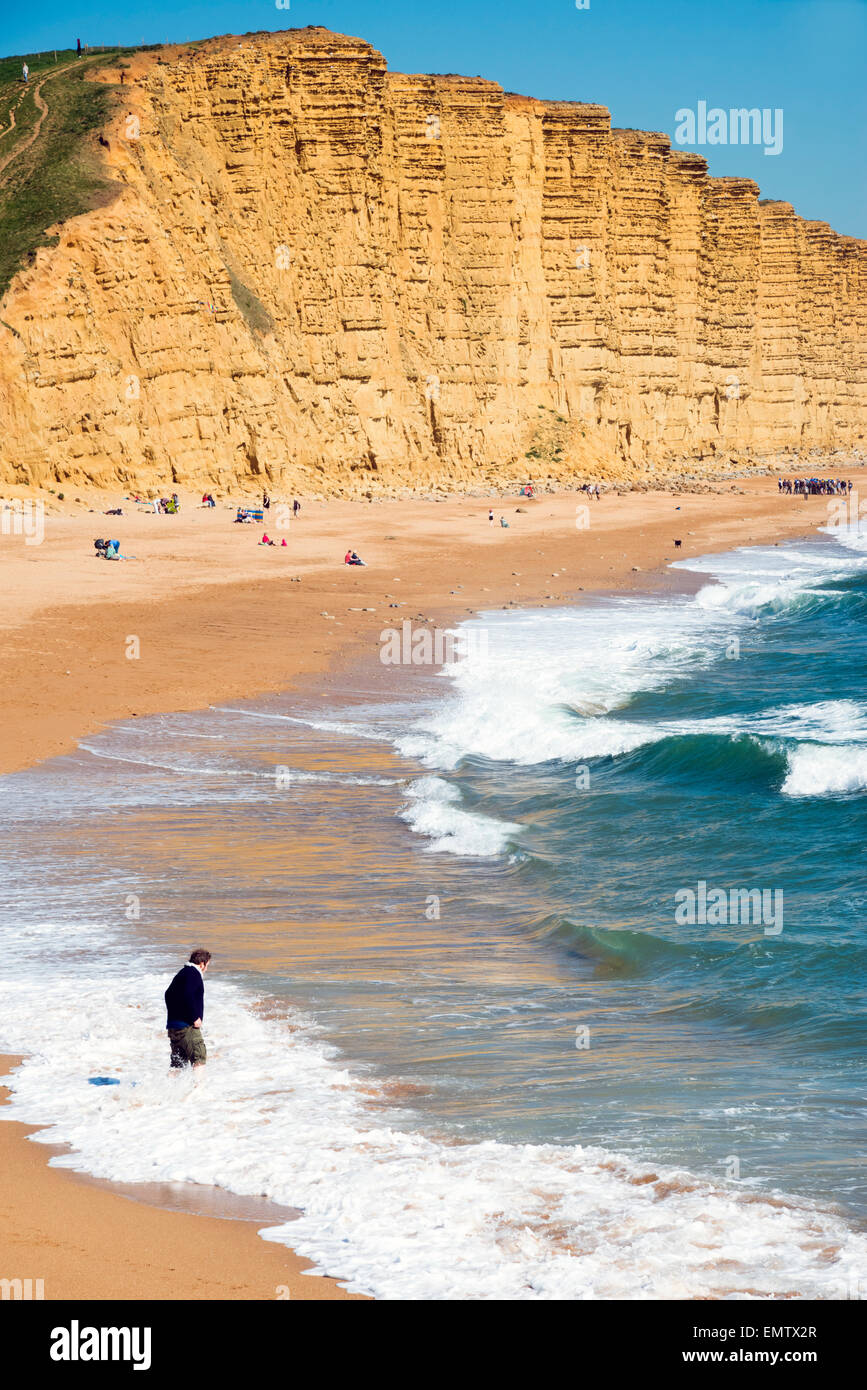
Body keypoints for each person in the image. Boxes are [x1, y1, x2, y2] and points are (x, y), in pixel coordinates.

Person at [165, 949, 211, 1069]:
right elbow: (188, 994)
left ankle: (170, 1087)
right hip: (187, 1027)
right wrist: (194, 1017)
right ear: (202, 964)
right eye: (207, 965)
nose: (206, 969)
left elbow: (168, 994)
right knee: (199, 1058)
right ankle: (199, 1088)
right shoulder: (194, 973)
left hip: (174, 1028)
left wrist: (173, 1018)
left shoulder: (183, 973)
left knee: (178, 1065)